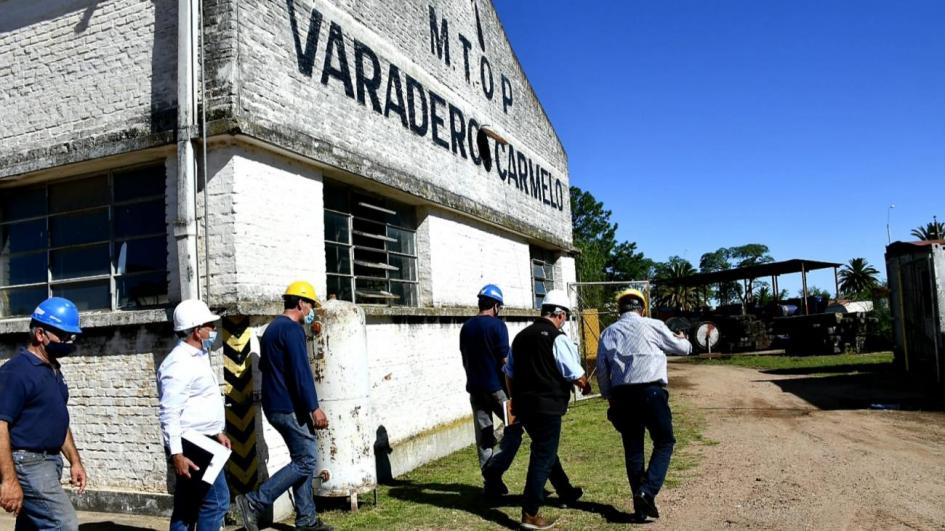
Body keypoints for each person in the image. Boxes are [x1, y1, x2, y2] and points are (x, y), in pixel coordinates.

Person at [235, 281, 331, 531]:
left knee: (302, 459)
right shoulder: (292, 330)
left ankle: (307, 520)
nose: (312, 310)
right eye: (310, 304)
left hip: (274, 406)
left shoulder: (271, 330)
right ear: (300, 303)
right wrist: (314, 407)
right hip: (290, 408)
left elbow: (269, 369)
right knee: (307, 461)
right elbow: (300, 373)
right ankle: (254, 502)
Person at [595, 288, 692, 523]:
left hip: (622, 396)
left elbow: (602, 372)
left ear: (620, 309)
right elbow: (683, 349)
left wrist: (610, 399)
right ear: (642, 308)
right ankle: (646, 492)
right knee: (664, 441)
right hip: (652, 392)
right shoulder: (653, 325)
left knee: (634, 449)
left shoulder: (608, 333)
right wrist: (683, 339)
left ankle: (640, 508)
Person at [506, 289, 591, 530]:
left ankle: (565, 491)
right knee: (543, 455)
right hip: (548, 406)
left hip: (524, 406)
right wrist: (585, 385)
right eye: (565, 316)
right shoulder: (556, 337)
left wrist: (514, 399)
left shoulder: (520, 337)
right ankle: (530, 513)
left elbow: (509, 373)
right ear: (560, 315)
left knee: (546, 449)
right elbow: (572, 371)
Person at [0, 297, 87, 530]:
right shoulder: (16, 372)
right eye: (64, 336)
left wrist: (74, 461)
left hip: (50, 462)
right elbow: (0, 427)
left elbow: (58, 419)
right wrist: (9, 481)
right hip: (28, 463)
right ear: (40, 334)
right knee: (63, 524)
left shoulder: (53, 369)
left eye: (72, 337)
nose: (69, 342)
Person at [157, 299, 231, 531]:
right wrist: (177, 454)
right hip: (192, 443)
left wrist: (217, 431)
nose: (213, 330)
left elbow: (201, 401)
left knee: (187, 505)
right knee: (217, 501)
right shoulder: (178, 364)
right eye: (210, 326)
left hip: (204, 439)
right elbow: (169, 412)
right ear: (197, 331)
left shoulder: (198, 356)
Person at [459, 284, 522, 497]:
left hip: (475, 389)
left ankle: (491, 483)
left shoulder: (466, 327)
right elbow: (505, 361)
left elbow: (464, 358)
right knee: (514, 429)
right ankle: (494, 473)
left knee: (484, 435)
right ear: (495, 306)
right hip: (496, 388)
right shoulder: (498, 327)